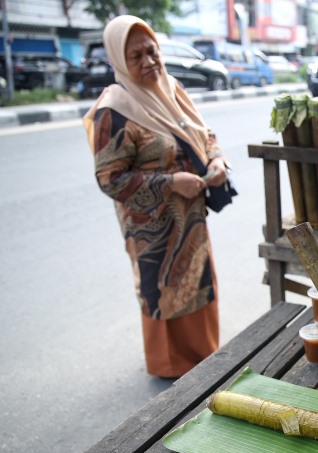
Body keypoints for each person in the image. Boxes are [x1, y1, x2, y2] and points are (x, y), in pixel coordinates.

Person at [83, 15, 230, 378]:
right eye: (136, 56)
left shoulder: (171, 88)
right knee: (163, 289)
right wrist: (170, 183)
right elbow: (110, 179)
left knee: (197, 279)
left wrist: (217, 159)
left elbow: (204, 132)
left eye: (152, 51)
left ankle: (203, 355)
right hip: (152, 228)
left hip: (191, 217)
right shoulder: (113, 110)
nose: (149, 61)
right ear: (119, 59)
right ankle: (170, 367)